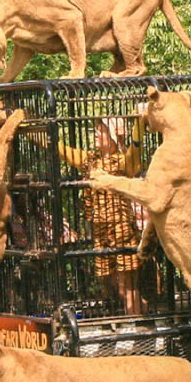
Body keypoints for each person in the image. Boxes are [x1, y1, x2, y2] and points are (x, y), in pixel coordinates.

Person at [52, 116, 147, 315]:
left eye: (100, 130)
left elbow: (134, 154)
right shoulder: (90, 160)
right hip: (100, 229)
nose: (95, 134)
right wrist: (25, 128)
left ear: (113, 136)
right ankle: (140, 312)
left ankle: (137, 323)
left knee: (126, 284)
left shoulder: (123, 162)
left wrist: (139, 124)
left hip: (120, 228)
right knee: (110, 281)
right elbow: (58, 148)